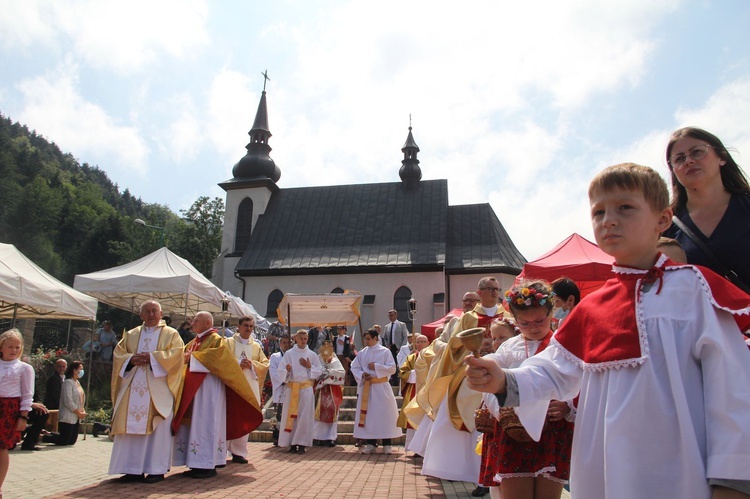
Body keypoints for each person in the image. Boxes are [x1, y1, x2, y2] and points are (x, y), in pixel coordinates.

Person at [465, 163, 750, 499]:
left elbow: (732, 388)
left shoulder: (695, 291)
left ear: (663, 219)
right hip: (602, 467)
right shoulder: (592, 307)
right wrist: (504, 380)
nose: (608, 220)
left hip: (680, 469)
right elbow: (555, 370)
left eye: (625, 208)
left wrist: (733, 478)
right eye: (598, 212)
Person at [486, 281, 574, 499]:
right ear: (515, 321)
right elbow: (491, 385)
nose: (533, 327)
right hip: (514, 430)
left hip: (554, 430)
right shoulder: (509, 347)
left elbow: (580, 382)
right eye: (524, 323)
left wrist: (568, 406)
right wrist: (503, 410)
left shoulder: (563, 346)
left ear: (551, 312)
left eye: (539, 321)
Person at [421, 278, 503, 487]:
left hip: (500, 372)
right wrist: (475, 350)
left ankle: (492, 473)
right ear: (480, 291)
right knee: (467, 423)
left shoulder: (507, 315)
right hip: (471, 375)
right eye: (490, 289)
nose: (494, 293)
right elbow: (454, 347)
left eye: (496, 289)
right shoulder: (468, 318)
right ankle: (469, 471)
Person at [172, 311, 263, 478]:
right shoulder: (196, 341)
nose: (193, 324)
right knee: (197, 424)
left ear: (207, 323)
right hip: (196, 390)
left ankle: (208, 464)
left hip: (209, 390)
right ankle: (196, 463)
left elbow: (219, 358)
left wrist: (191, 356)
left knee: (207, 423)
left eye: (196, 321)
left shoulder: (215, 339)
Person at [662, 127, 750, 292]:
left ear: (722, 157)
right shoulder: (665, 228)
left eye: (696, 152)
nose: (688, 161)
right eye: (679, 159)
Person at [109, 300, 184, 484]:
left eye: (154, 311)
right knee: (130, 428)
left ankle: (155, 469)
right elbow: (119, 354)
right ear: (141, 315)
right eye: (147, 312)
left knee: (157, 430)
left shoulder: (171, 334)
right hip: (132, 387)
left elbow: (177, 356)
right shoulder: (132, 334)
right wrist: (131, 359)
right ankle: (131, 469)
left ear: (161, 313)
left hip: (158, 389)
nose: (151, 315)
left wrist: (152, 358)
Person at [477, 318, 518, 498]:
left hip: (516, 423)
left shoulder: (517, 357)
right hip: (499, 424)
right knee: (497, 483)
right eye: (494, 338)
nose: (497, 342)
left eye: (502, 337)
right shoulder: (493, 359)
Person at [225, 315, 269, 464]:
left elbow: (264, 364)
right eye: (246, 325)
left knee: (243, 417)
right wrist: (238, 362)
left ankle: (239, 452)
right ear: (238, 326)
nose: (248, 329)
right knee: (228, 417)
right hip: (232, 386)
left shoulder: (256, 346)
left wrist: (251, 365)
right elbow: (222, 360)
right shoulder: (229, 343)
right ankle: (222, 451)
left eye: (251, 326)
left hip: (249, 387)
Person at [351, 328, 402, 455]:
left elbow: (392, 369)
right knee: (369, 416)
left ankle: (387, 444)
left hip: (381, 387)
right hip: (367, 387)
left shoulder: (385, 352)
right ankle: (370, 443)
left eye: (369, 338)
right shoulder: (363, 353)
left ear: (375, 338)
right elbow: (354, 366)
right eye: (365, 339)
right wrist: (363, 374)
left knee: (384, 415)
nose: (366, 341)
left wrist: (377, 367)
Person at [277, 330, 323, 454]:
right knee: (291, 416)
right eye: (301, 338)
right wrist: (287, 370)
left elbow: (319, 372)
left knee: (304, 416)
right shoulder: (289, 354)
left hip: (305, 389)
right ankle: (291, 443)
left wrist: (309, 366)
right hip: (292, 389)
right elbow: (280, 371)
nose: (303, 341)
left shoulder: (312, 355)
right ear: (296, 339)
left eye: (305, 338)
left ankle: (302, 443)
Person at [0, 329, 34, 498]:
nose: (13, 350)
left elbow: (27, 394)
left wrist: (23, 416)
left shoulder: (24, 368)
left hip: (9, 409)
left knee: (1, 447)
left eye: (17, 347)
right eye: (10, 346)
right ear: (2, 347)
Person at [397, 334, 429, 450]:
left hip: (427, 391)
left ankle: (423, 448)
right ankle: (412, 446)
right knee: (413, 418)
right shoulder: (411, 358)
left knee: (425, 419)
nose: (420, 344)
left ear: (428, 343)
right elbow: (403, 373)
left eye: (423, 341)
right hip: (413, 391)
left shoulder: (432, 357)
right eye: (418, 342)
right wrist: (414, 373)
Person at [312, 341, 345, 447]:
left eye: (330, 346)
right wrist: (322, 372)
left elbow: (341, 372)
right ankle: (316, 437)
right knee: (317, 413)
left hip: (333, 390)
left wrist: (329, 371)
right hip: (320, 390)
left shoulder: (335, 359)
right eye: (324, 345)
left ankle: (331, 437)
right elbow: (313, 371)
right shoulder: (317, 358)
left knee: (332, 414)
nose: (327, 348)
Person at [268, 335, 292, 446]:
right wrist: (283, 380)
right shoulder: (275, 357)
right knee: (278, 414)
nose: (286, 345)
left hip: (291, 388)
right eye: (284, 342)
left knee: (289, 414)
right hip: (280, 388)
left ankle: (288, 437)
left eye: (288, 342)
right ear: (280, 343)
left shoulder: (292, 356)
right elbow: (273, 372)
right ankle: (277, 437)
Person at [56, 360, 86, 446]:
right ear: (74, 370)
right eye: (80, 369)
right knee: (64, 440)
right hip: (68, 416)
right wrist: (77, 412)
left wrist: (82, 410)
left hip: (76, 416)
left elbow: (81, 397)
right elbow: (68, 401)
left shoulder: (77, 383)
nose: (82, 371)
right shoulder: (68, 383)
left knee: (72, 441)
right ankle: (42, 436)